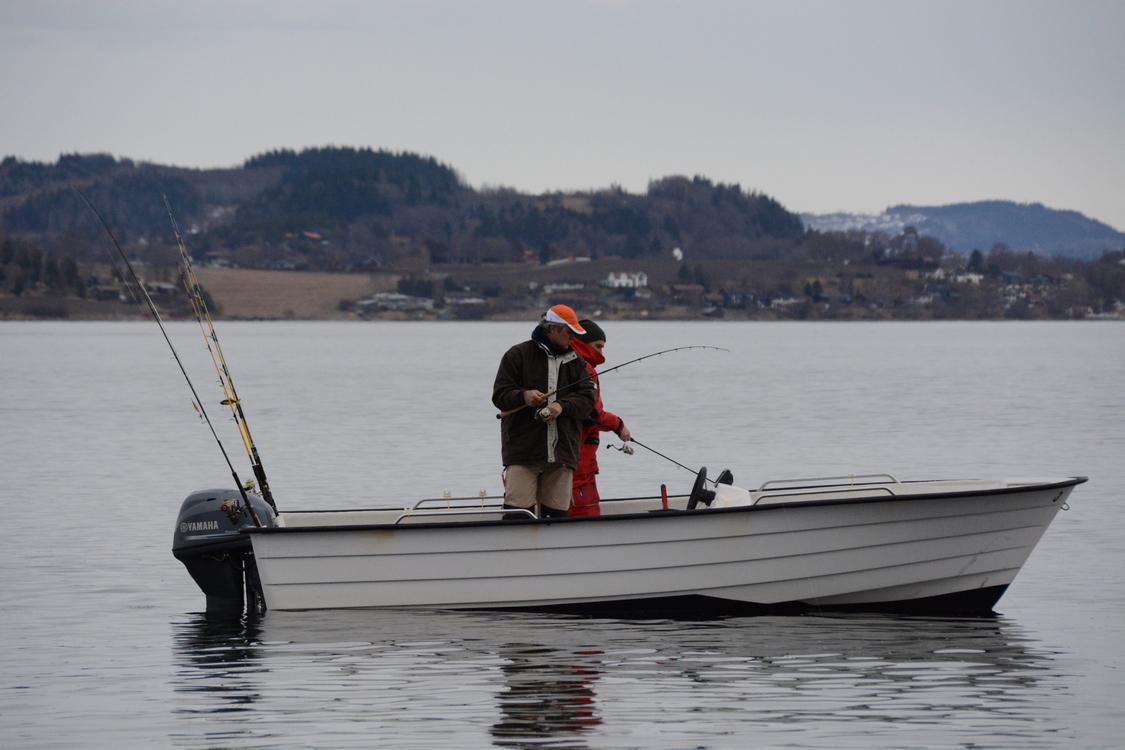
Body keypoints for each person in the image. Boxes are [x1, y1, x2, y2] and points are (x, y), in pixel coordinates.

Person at [492, 304, 596, 518]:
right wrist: (524, 396)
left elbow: (588, 400)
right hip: (522, 453)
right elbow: (499, 395)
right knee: (517, 516)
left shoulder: (578, 363)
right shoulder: (517, 355)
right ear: (552, 329)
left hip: (562, 455)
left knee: (556, 520)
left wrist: (562, 406)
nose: (573, 338)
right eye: (568, 332)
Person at [568, 320, 630, 517]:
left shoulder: (564, 363)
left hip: (574, 456)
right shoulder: (584, 368)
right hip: (579, 457)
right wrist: (618, 425)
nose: (601, 353)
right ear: (583, 343)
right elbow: (592, 414)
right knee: (584, 510)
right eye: (598, 346)